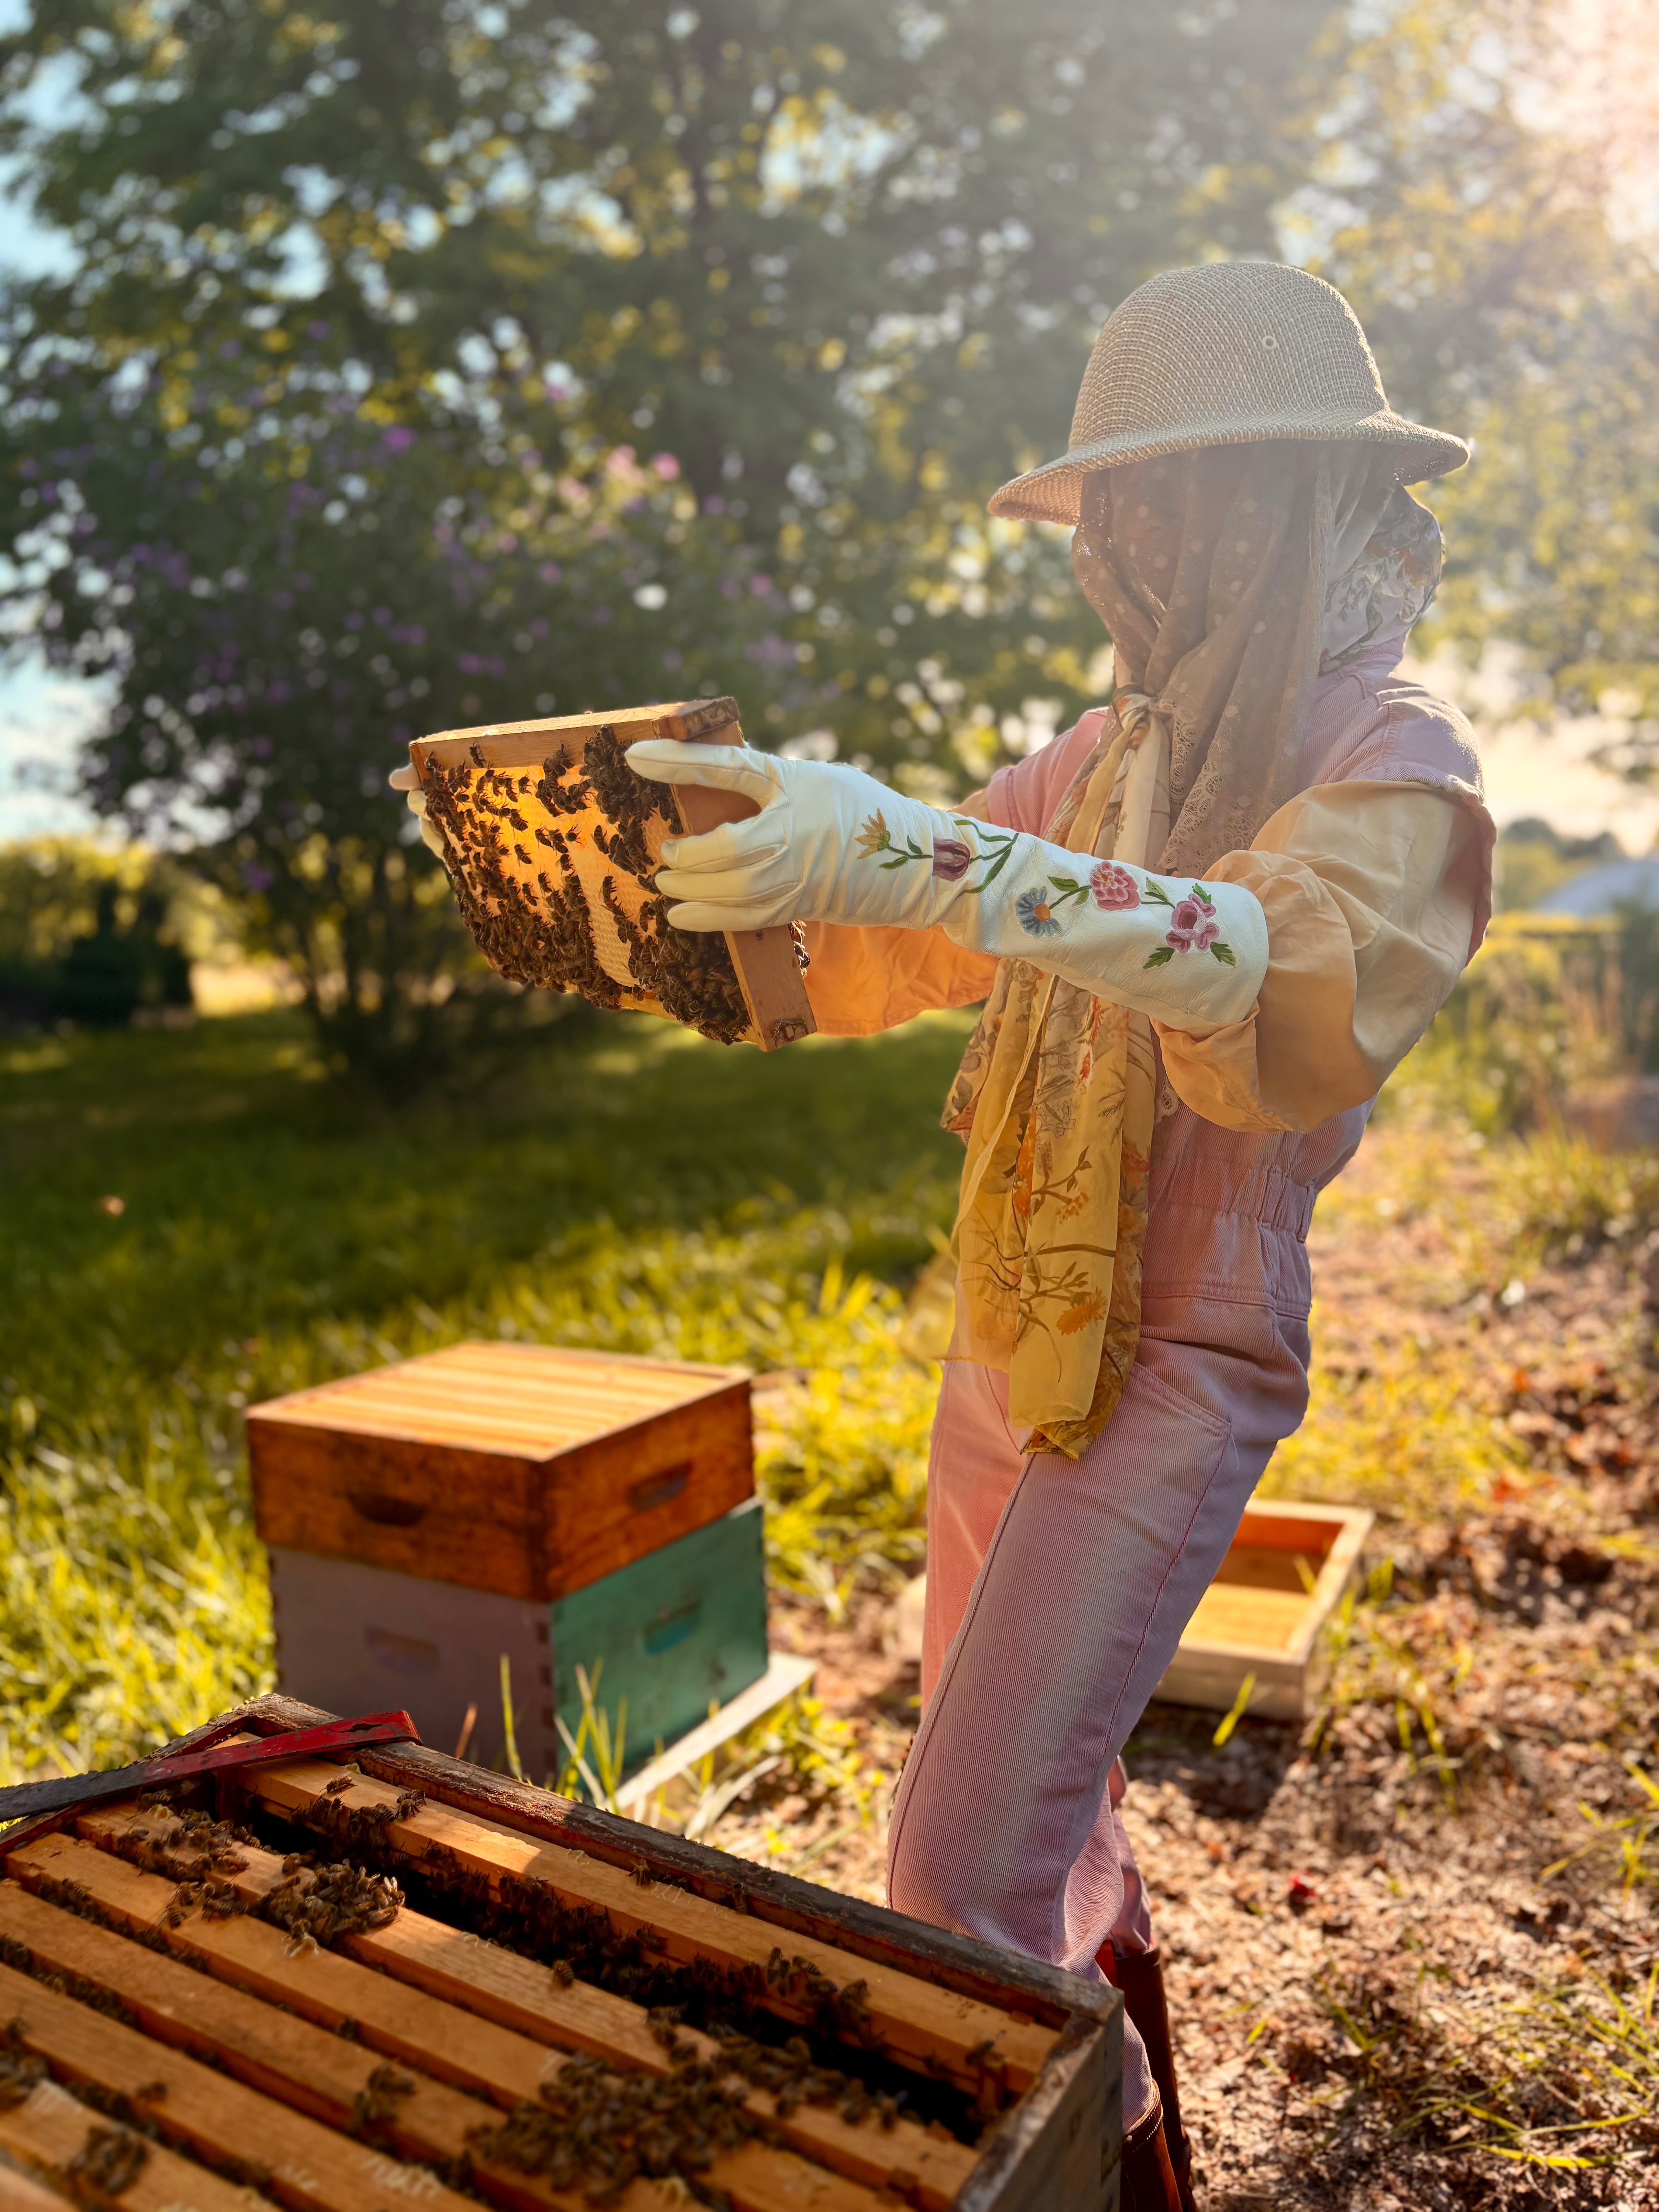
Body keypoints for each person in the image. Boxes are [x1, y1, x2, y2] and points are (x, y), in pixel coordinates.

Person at [443, 259, 1491, 2211]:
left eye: (1179, 498)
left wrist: (918, 843)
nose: (1136, 548)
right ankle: (1135, 2163)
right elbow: (897, 930)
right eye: (1121, 507)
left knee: (956, 1872)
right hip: (1013, 1321)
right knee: (1041, 1803)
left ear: (1293, 498)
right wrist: (685, 886)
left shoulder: (1396, 759)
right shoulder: (1104, 764)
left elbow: (1275, 974)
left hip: (1175, 1360)